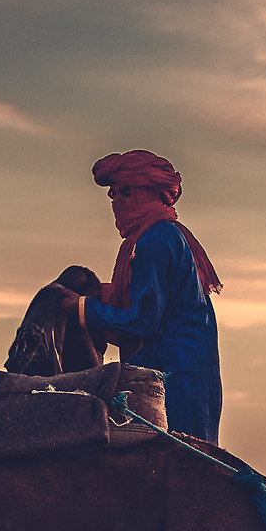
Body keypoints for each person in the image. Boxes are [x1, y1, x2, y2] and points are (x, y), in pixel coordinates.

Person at [78, 149, 224, 442]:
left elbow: (142, 320)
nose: (116, 202)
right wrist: (96, 294)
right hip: (186, 369)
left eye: (126, 193)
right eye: (113, 194)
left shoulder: (155, 239)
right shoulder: (162, 234)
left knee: (179, 455)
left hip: (174, 374)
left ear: (147, 193)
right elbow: (144, 299)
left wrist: (81, 307)